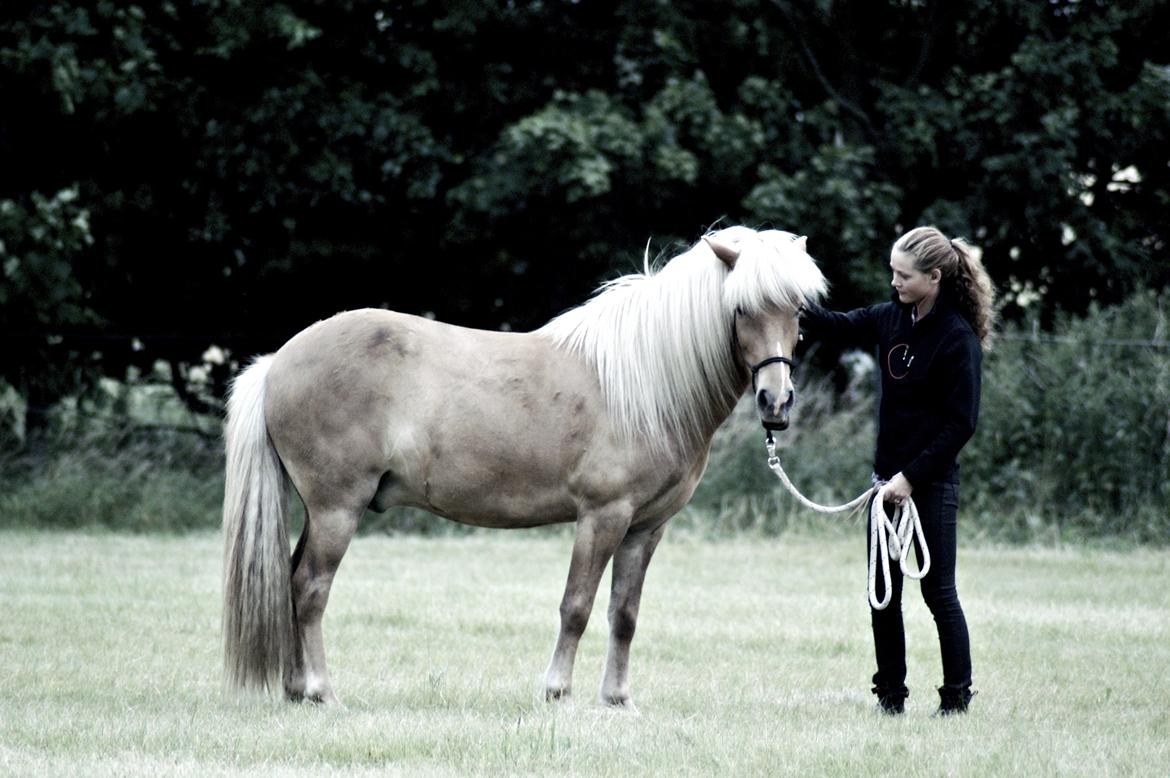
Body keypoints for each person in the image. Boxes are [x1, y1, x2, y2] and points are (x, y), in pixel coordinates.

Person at [799, 226, 996, 716]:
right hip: (883, 486)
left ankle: (956, 700)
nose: (894, 283)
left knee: (938, 593)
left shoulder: (957, 339)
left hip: (929, 486)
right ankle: (890, 698)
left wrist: (909, 479)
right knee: (882, 596)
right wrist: (783, 294)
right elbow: (836, 323)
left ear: (934, 277)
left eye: (903, 275)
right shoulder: (890, 319)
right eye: (892, 272)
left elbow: (960, 425)